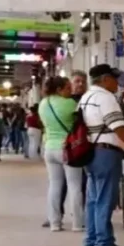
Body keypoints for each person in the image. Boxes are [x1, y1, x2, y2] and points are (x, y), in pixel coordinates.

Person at [79, 64, 124, 246]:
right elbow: (118, 127)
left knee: (93, 198)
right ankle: (104, 242)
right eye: (115, 79)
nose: (118, 83)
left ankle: (91, 239)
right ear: (105, 80)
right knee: (105, 199)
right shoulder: (105, 98)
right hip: (106, 153)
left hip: (91, 152)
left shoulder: (86, 97)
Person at [40, 76, 84, 232]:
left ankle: (54, 223)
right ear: (58, 89)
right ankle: (77, 223)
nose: (70, 90)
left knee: (54, 185)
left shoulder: (43, 103)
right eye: (67, 88)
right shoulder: (70, 104)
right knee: (74, 186)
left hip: (49, 148)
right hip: (67, 149)